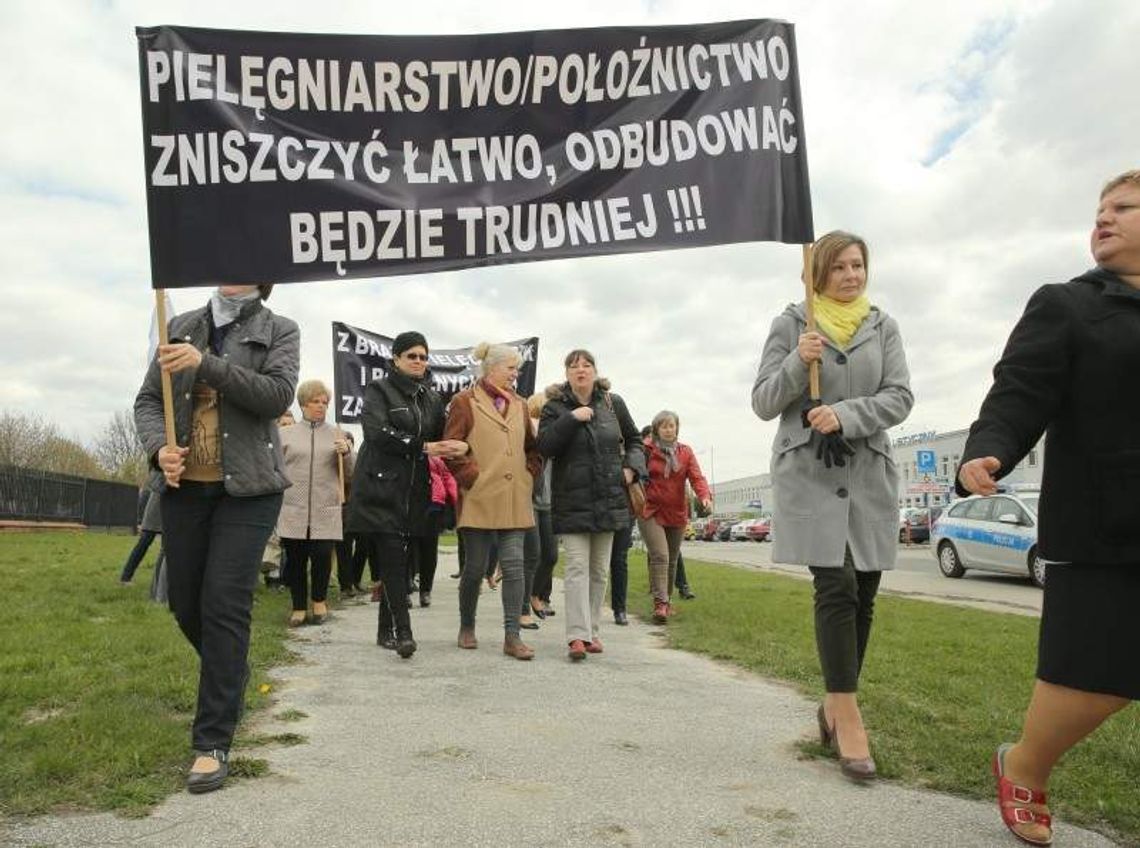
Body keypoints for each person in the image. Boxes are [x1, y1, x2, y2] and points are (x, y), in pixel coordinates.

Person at [957, 171, 1140, 847]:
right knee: (1093, 670)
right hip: (1105, 519)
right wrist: (989, 451)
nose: (1104, 218)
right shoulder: (1066, 304)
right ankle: (1027, 761)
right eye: (1100, 209)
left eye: (1123, 207)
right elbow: (1020, 390)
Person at [751, 230, 913, 782]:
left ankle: (832, 705)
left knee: (864, 589)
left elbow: (900, 397)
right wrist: (798, 363)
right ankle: (848, 713)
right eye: (839, 267)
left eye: (858, 265)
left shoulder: (883, 326)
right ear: (817, 273)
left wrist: (846, 414)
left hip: (867, 472)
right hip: (811, 475)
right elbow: (764, 400)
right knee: (836, 584)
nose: (851, 275)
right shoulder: (792, 324)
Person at [134, 282, 298, 794]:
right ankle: (231, 674)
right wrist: (160, 448)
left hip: (249, 491)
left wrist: (205, 364)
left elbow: (275, 396)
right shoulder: (178, 324)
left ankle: (211, 742)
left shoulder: (279, 329)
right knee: (185, 603)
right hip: (184, 492)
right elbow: (146, 402)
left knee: (223, 603)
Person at [346, 331, 465, 659]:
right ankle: (404, 632)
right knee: (394, 558)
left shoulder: (432, 397)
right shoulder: (378, 390)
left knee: (398, 561)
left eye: (423, 356)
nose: (418, 361)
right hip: (380, 486)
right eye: (411, 355)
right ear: (396, 359)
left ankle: (385, 629)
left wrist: (458, 443)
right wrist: (421, 446)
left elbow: (442, 434)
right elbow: (376, 432)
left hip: (415, 490)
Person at [538, 349, 646, 661]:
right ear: (567, 374)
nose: (581, 370)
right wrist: (571, 419)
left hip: (610, 497)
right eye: (574, 366)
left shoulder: (613, 403)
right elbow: (545, 446)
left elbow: (635, 440)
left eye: (587, 365)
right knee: (576, 568)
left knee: (599, 570)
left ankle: (592, 632)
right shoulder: (555, 407)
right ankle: (576, 636)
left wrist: (632, 468)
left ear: (596, 371)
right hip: (572, 500)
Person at [445, 342, 542, 660]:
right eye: (511, 368)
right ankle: (466, 626)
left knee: (514, 567)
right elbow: (451, 447)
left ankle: (512, 637)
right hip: (479, 496)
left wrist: (529, 474)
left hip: (514, 496)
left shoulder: (521, 404)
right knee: (474, 568)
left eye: (517, 368)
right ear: (492, 368)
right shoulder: (463, 401)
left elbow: (532, 447)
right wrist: (470, 478)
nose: (516, 374)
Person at [277, 380, 353, 627]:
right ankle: (299, 606)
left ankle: (319, 601)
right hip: (293, 507)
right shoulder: (284, 434)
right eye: (316, 401)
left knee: (321, 556)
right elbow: (274, 468)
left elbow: (350, 474)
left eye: (325, 402)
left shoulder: (336, 434)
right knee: (295, 560)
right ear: (302, 404)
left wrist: (347, 453)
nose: (321, 406)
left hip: (325, 507)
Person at [637, 411, 712, 623]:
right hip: (649, 510)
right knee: (660, 555)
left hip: (677, 512)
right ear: (656, 429)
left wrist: (704, 496)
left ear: (677, 428)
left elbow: (697, 477)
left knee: (671, 559)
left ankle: (666, 601)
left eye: (672, 426)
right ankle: (660, 604)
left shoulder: (685, 452)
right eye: (664, 426)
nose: (669, 430)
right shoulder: (646, 449)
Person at [526, 392, 558, 621]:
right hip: (530, 499)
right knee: (534, 554)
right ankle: (528, 600)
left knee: (551, 555)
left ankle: (535, 594)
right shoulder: (531, 428)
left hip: (550, 501)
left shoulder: (558, 432)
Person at [119, 486, 164, 584]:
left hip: (166, 510)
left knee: (165, 548)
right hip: (156, 509)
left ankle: (159, 584)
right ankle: (125, 577)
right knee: (144, 543)